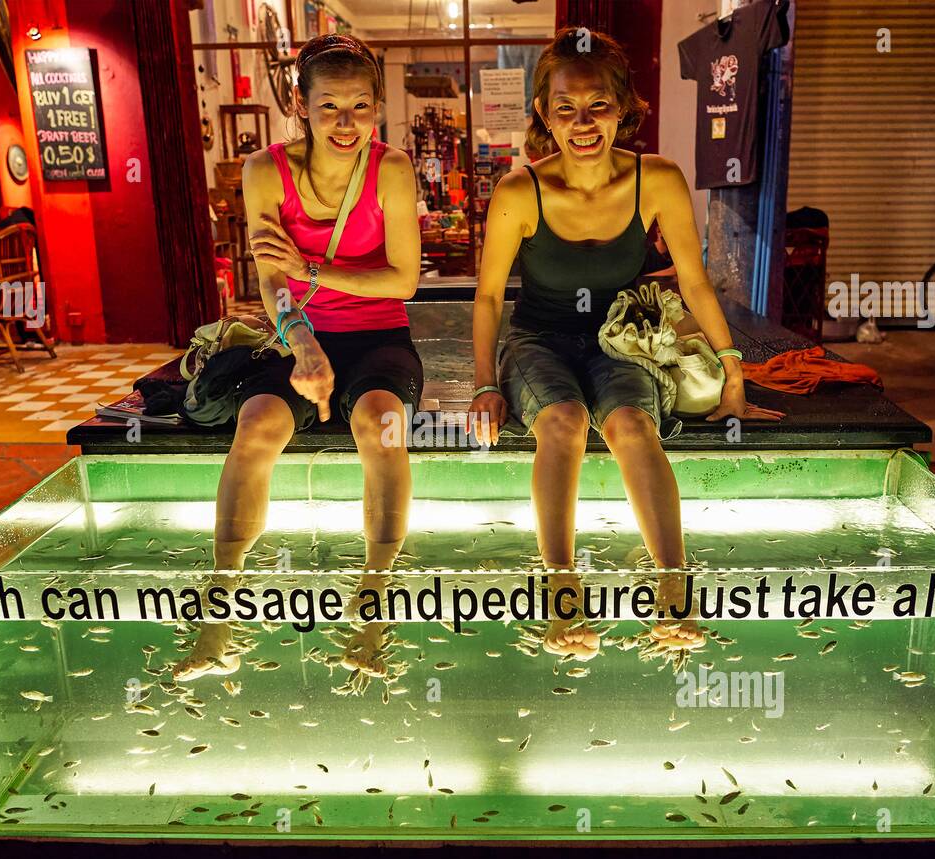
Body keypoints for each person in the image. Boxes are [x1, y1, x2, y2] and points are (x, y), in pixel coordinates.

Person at [469, 28, 785, 661]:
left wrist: (733, 373)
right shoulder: (518, 191)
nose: (582, 123)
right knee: (563, 422)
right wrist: (483, 384)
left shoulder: (658, 179)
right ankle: (561, 592)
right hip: (539, 341)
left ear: (622, 107)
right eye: (565, 108)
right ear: (543, 113)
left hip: (621, 339)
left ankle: (673, 587)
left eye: (598, 106)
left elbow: (695, 282)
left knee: (635, 426)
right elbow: (487, 298)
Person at [173, 33, 422, 681]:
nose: (347, 123)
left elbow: (401, 282)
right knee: (256, 427)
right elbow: (271, 278)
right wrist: (304, 341)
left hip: (379, 338)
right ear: (301, 106)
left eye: (361, 107)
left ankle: (374, 595)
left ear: (377, 109)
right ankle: (220, 600)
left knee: (379, 424)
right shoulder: (264, 172)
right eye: (330, 106)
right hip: (296, 334)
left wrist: (314, 264)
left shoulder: (391, 169)